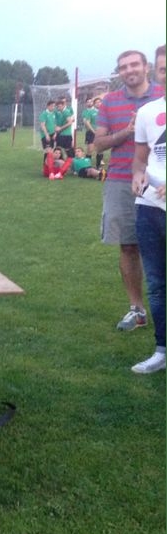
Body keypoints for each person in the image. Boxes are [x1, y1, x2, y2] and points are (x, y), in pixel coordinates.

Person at [93, 49, 163, 331]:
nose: (129, 70)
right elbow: (98, 144)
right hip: (122, 181)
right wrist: (127, 130)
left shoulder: (162, 94)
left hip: (159, 181)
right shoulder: (110, 101)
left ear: (146, 67)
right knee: (128, 245)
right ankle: (137, 310)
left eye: (134, 64)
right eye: (123, 67)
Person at [130, 44, 166, 373]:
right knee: (156, 284)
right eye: (163, 69)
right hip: (150, 206)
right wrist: (138, 176)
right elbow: (141, 159)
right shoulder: (147, 112)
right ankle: (162, 349)